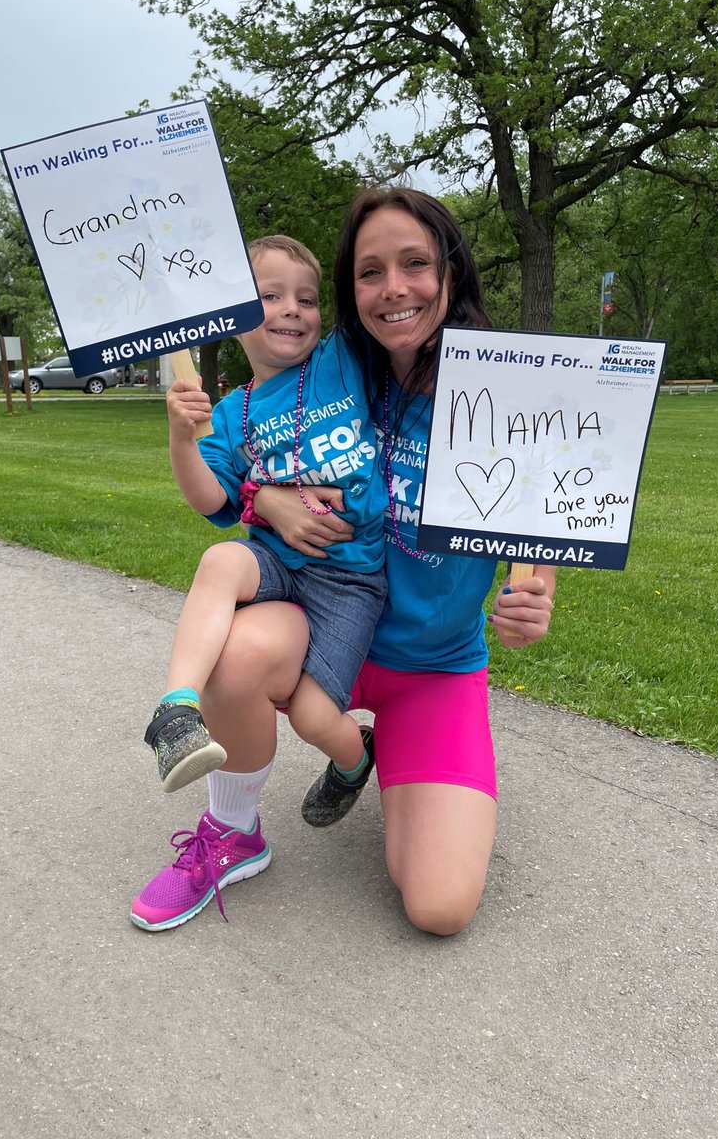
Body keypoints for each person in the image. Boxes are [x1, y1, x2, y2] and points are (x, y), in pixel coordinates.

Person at [131, 190, 555, 935]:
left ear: (450, 271)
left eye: (415, 263)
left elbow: (546, 513)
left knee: (439, 907)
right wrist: (265, 499)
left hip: (430, 665)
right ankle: (232, 830)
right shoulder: (344, 368)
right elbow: (238, 468)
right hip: (324, 622)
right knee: (237, 652)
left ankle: (381, 759)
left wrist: (535, 592)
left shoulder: (504, 391)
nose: (394, 287)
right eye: (370, 271)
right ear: (350, 293)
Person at [143, 236, 388, 825]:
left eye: (306, 299)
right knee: (220, 560)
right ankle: (177, 708)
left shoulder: (338, 363)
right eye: (269, 296)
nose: (291, 309)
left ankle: (356, 761)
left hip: (349, 579)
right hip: (277, 562)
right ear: (232, 318)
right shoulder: (231, 411)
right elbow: (213, 500)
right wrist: (182, 437)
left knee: (311, 717)